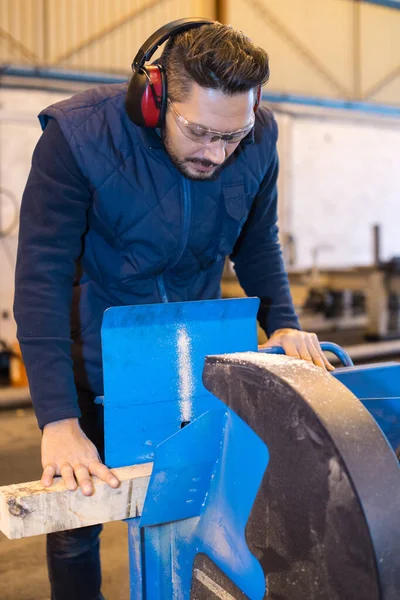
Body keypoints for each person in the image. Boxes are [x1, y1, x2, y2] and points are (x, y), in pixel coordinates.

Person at [14, 18, 333, 600]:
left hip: (192, 362)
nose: (217, 154)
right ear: (154, 96)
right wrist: (57, 419)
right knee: (76, 525)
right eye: (200, 133)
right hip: (94, 363)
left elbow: (258, 242)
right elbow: (42, 278)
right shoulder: (78, 138)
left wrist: (284, 323)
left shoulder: (256, 138)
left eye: (232, 137)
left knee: (195, 504)